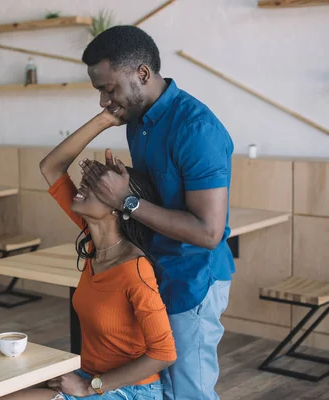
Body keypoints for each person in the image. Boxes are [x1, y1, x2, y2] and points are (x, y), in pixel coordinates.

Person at [78, 25, 235, 400]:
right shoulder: (139, 121)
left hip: (193, 278)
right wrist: (122, 181)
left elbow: (208, 232)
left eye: (109, 88)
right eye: (99, 90)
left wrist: (125, 200)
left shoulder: (197, 129)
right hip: (157, 269)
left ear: (142, 74)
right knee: (155, 390)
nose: (103, 101)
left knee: (188, 391)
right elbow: (159, 193)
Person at [0, 109, 176, 400]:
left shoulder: (135, 269)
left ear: (118, 207)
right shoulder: (96, 241)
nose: (83, 186)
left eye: (96, 187)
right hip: (90, 375)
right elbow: (51, 167)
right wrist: (105, 119)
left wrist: (87, 387)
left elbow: (164, 353)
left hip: (131, 391)